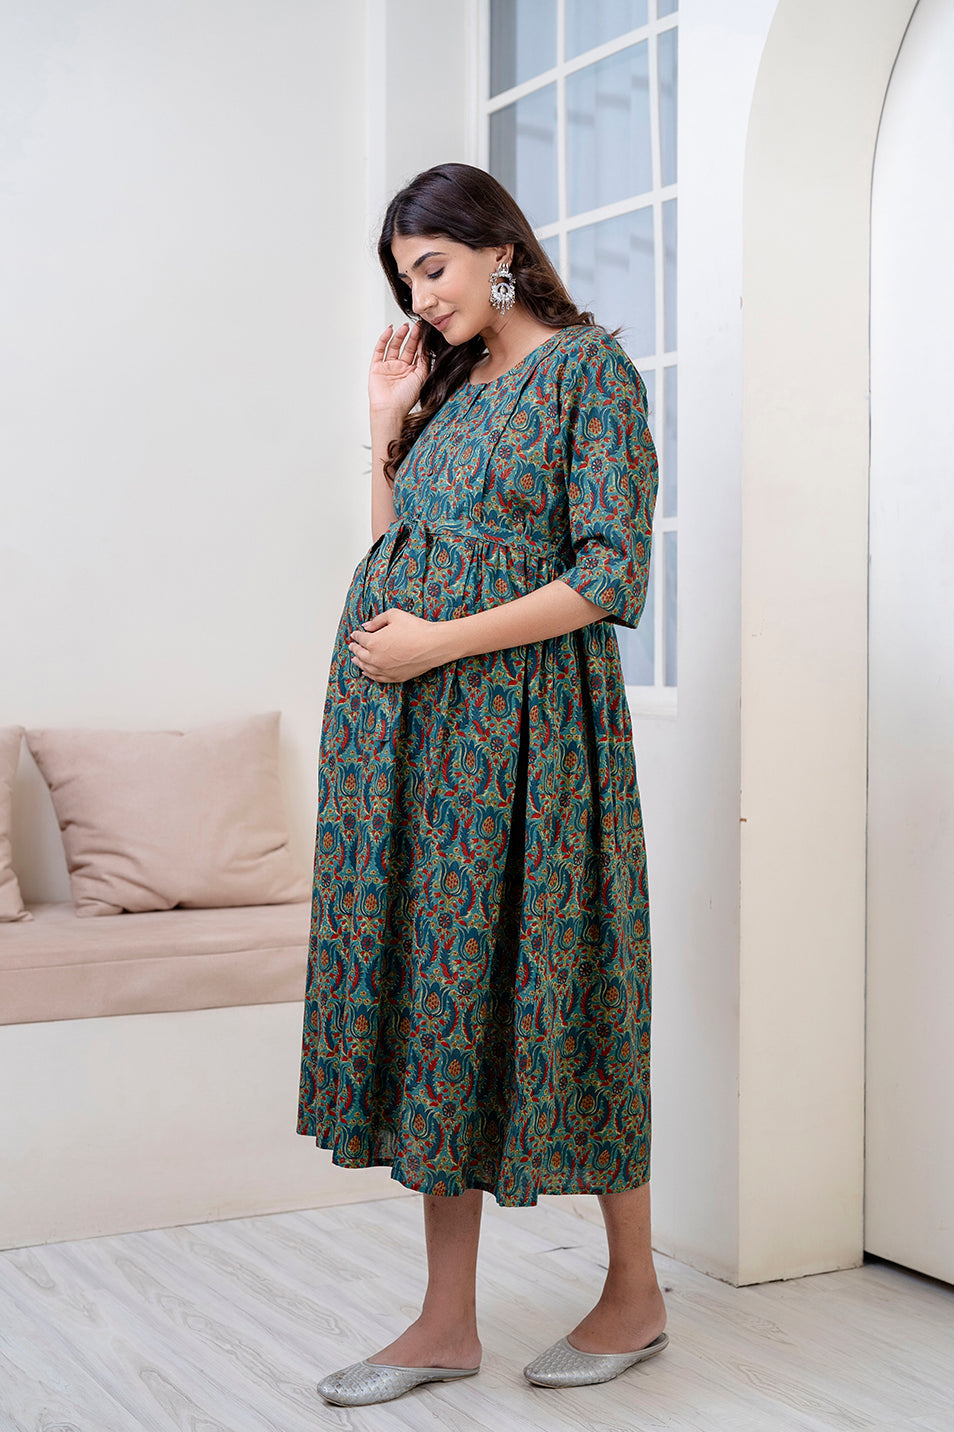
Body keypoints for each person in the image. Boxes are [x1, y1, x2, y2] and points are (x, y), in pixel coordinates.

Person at [297, 162, 668, 1408]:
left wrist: (438, 645)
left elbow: (610, 575)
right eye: (406, 280)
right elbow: (395, 546)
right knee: (437, 999)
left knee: (571, 980)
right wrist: (387, 421)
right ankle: (443, 1320)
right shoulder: (449, 389)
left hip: (529, 738)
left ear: (499, 247)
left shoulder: (588, 373)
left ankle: (635, 1292)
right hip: (412, 748)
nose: (421, 299)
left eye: (434, 268)